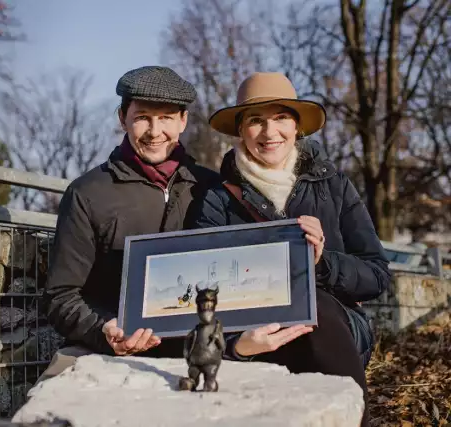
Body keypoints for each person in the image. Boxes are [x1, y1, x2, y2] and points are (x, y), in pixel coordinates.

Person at [190, 72, 391, 426]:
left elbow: (376, 276)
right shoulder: (217, 199)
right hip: (251, 330)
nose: (270, 133)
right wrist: (237, 344)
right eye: (255, 120)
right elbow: (201, 287)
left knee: (316, 312)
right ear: (241, 130)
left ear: (297, 127)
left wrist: (321, 263)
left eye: (281, 117)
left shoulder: (335, 186)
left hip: (333, 327)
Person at [38, 66, 222, 384]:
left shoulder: (211, 188)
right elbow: (61, 296)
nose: (154, 131)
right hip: (110, 351)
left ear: (183, 120)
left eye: (166, 117)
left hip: (194, 350)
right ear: (122, 118)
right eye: (143, 117)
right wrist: (104, 328)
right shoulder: (88, 193)